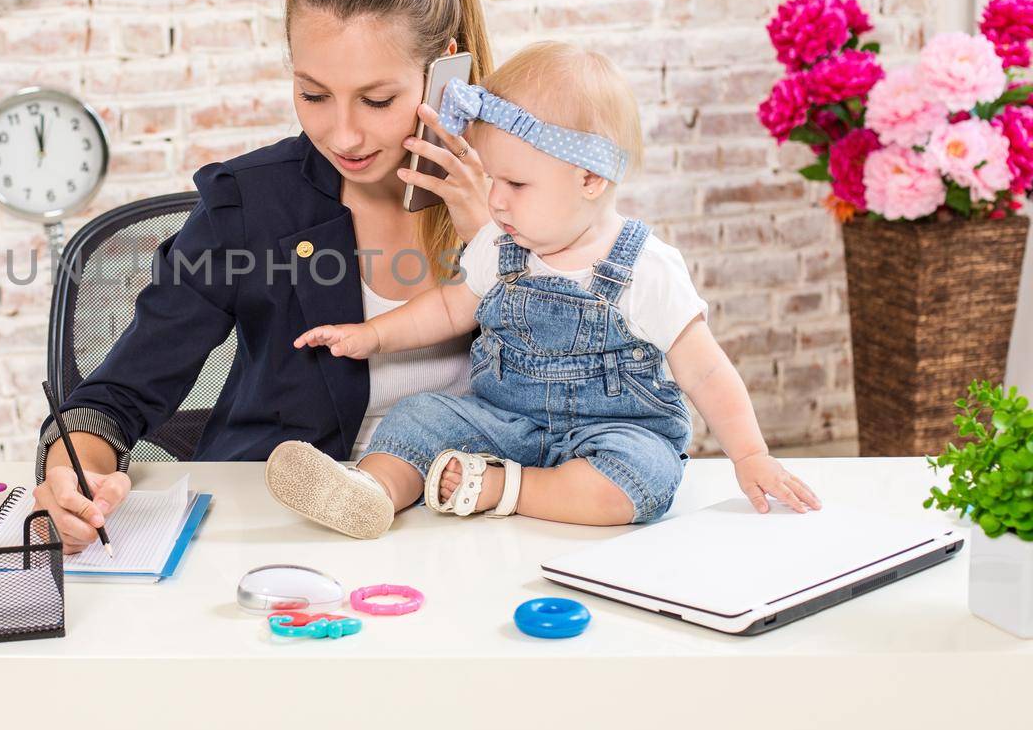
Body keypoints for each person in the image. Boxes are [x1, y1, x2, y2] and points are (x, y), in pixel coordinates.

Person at [34, 0, 496, 553]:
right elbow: (115, 398)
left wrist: (489, 235)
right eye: (313, 95)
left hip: (479, 521)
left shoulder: (518, 190)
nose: (343, 136)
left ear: (445, 69)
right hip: (282, 535)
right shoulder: (249, 206)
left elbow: (587, 359)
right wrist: (70, 475)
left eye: (377, 100)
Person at [268, 41, 822, 539]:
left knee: (642, 479)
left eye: (516, 184)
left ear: (589, 180)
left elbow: (705, 370)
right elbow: (448, 307)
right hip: (502, 421)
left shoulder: (645, 268)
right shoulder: (501, 245)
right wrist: (373, 335)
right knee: (417, 418)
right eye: (494, 180)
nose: (497, 200)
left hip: (614, 433)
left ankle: (509, 491)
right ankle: (372, 495)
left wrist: (749, 454)